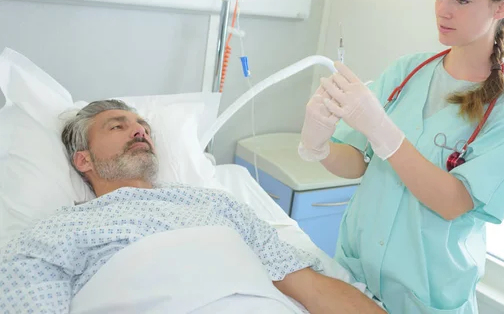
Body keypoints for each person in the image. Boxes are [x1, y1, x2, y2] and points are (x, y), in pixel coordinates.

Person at [298, 0, 504, 313]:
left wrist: (385, 134)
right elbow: (357, 161)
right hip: (355, 275)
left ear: (503, 7)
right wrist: (319, 144)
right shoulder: (406, 72)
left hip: (427, 295)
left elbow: (453, 203)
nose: (443, 10)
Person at [0, 100, 386, 314]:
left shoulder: (217, 204)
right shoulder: (53, 234)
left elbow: (314, 290)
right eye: (117, 126)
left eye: (143, 126)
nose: (140, 130)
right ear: (82, 161)